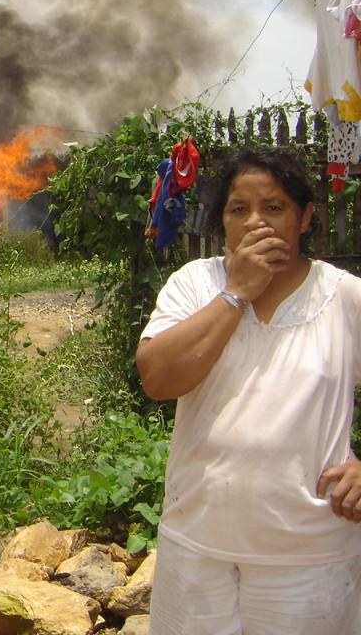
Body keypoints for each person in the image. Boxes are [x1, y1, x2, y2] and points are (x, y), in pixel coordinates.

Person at [136, 147, 361, 635]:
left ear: (305, 218)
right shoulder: (196, 284)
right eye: (239, 210)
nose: (256, 222)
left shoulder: (343, 297)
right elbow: (157, 378)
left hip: (308, 560)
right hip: (196, 546)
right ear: (222, 222)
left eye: (274, 207)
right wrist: (237, 292)